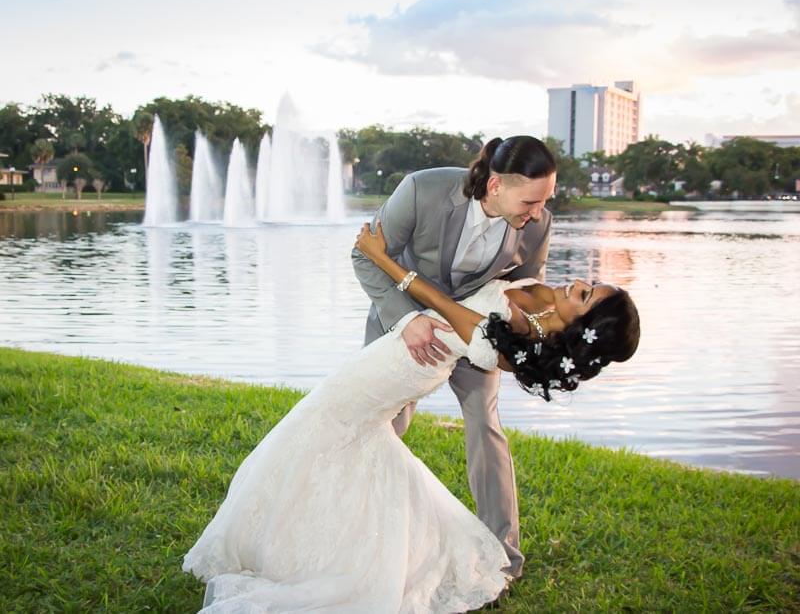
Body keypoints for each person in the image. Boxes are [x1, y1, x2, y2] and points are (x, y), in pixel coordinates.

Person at [182, 223, 640, 613]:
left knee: (322, 428)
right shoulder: (538, 300)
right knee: (343, 440)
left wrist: (377, 255)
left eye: (583, 293)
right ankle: (308, 541)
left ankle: (323, 562)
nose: (575, 281)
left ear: (580, 326)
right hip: (393, 359)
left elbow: (435, 300)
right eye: (587, 282)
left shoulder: (513, 338)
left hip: (401, 366)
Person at [352, 135, 556, 578]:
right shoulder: (421, 189)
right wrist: (406, 322)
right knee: (383, 427)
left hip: (474, 333)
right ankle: (366, 541)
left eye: (544, 201)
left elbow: (525, 292)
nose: (538, 212)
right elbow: (366, 255)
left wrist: (498, 330)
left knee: (486, 425)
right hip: (399, 321)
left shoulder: (538, 225)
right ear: (497, 184)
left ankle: (502, 557)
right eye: (531, 201)